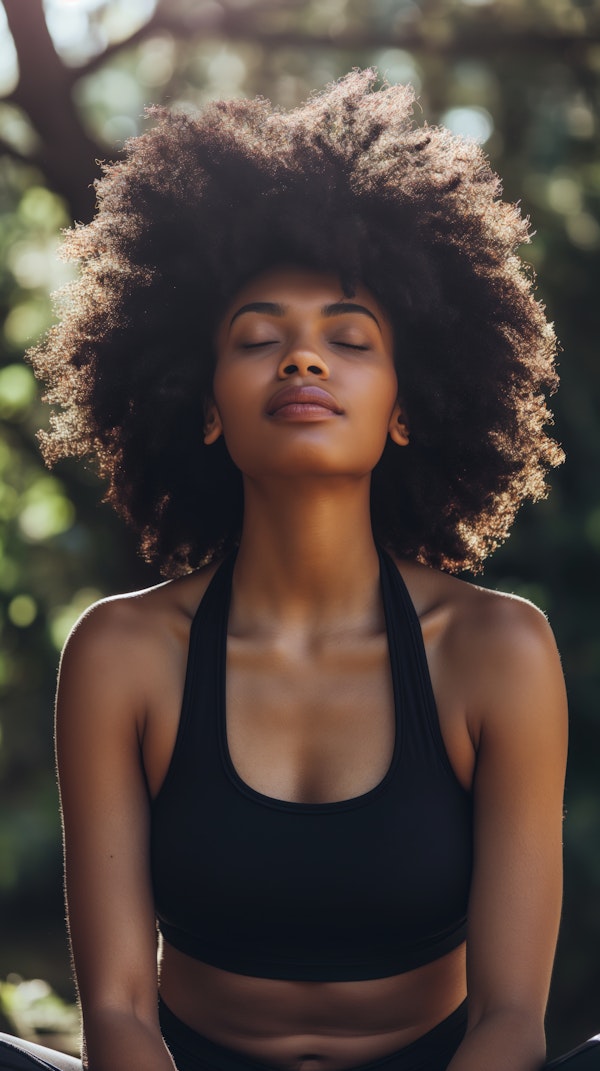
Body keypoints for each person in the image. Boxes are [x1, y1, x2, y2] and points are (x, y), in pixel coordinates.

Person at [0, 70, 598, 1071]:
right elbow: (116, 1012)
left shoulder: (498, 649)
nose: (304, 361)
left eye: (349, 340)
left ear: (409, 407)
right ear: (204, 406)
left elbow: (508, 1020)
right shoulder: (123, 653)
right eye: (259, 338)